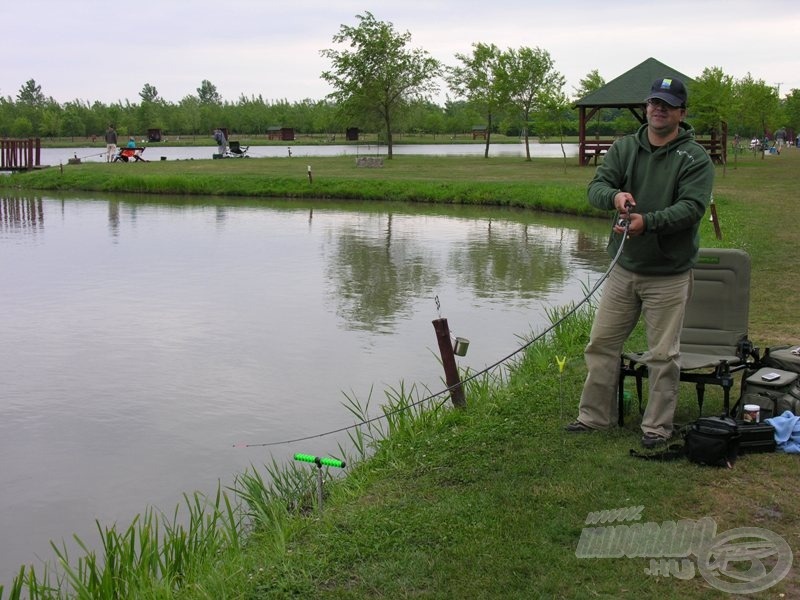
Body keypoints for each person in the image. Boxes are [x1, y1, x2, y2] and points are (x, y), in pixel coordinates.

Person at [564, 77, 715, 449]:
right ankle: (594, 418)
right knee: (601, 344)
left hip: (669, 273)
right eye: (653, 103)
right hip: (623, 267)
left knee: (663, 355)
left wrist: (647, 223)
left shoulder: (694, 157)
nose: (658, 109)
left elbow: (692, 208)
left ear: (681, 111)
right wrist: (615, 197)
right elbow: (595, 189)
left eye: (667, 104)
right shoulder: (624, 148)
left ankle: (657, 428)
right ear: (646, 107)